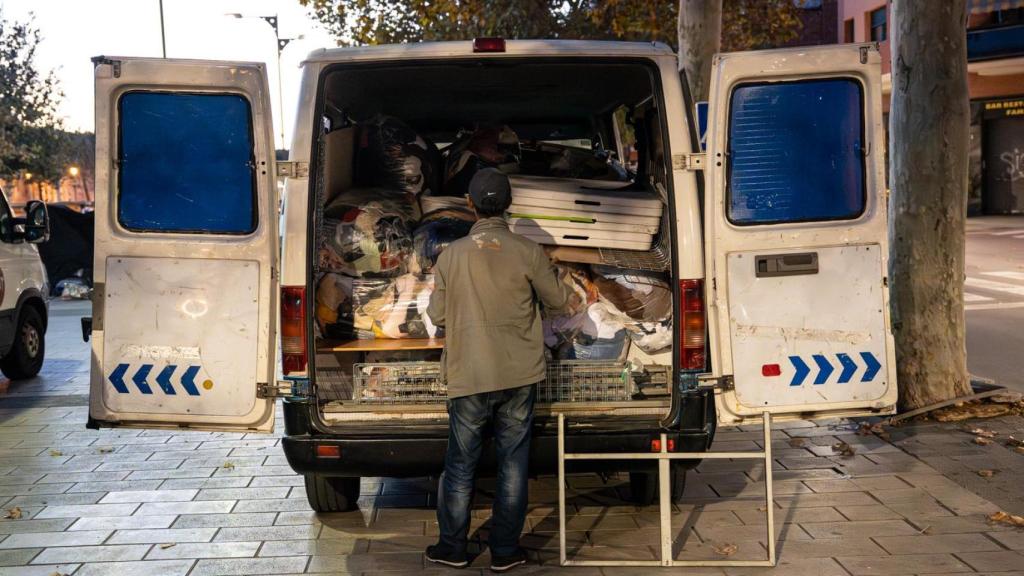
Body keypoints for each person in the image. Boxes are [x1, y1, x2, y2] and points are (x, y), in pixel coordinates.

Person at [425, 167, 571, 572]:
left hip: (469, 374)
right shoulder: (528, 251)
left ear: (469, 205)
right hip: (519, 373)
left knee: (460, 463)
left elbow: (437, 315)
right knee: (513, 462)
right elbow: (559, 301)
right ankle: (505, 551)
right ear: (509, 205)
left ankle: (452, 548)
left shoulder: (451, 255)